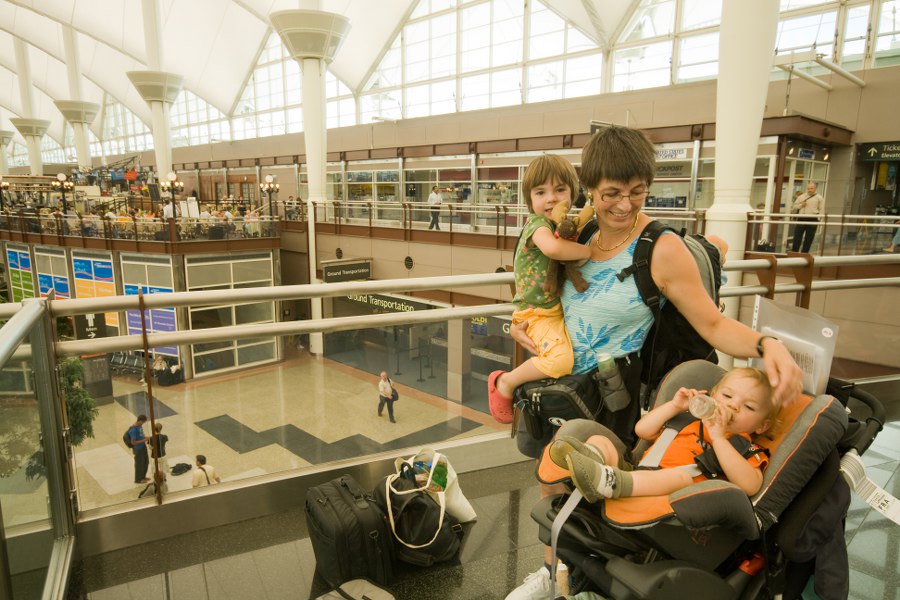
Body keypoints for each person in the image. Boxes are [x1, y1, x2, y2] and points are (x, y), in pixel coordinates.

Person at [504, 125, 802, 600]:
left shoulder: (660, 248)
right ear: (589, 188)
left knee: (602, 498)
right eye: (611, 195)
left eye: (637, 193)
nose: (624, 206)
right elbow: (540, 287)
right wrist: (520, 327)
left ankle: (587, 583)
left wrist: (767, 345)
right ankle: (552, 570)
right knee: (551, 477)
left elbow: (713, 324)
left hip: (614, 392)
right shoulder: (578, 229)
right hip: (563, 380)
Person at [550, 367, 779, 502]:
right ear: (713, 395)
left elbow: (750, 486)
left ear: (761, 426)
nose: (734, 406)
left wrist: (718, 438)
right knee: (601, 441)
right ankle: (589, 462)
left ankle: (607, 480)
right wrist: (675, 406)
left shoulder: (742, 446)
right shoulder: (688, 417)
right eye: (728, 396)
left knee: (679, 477)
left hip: (675, 492)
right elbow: (642, 431)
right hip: (637, 473)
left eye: (749, 407)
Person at [487, 154, 592, 422]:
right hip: (535, 313)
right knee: (559, 361)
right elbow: (554, 249)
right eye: (541, 192)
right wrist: (589, 252)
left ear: (572, 193)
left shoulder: (562, 225)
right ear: (530, 200)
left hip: (550, 311)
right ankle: (506, 383)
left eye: (560, 190)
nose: (551, 199)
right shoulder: (538, 225)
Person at [790, 182, 824, 252]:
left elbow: (822, 209)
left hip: (813, 218)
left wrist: (819, 219)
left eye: (811, 188)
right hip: (801, 217)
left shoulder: (819, 198)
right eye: (808, 188)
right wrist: (801, 205)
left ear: (815, 189)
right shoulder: (801, 197)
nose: (810, 190)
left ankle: (804, 252)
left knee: (809, 237)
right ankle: (794, 251)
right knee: (797, 236)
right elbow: (794, 207)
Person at [128, 415, 150, 484]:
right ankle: (138, 479)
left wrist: (146, 437)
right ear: (140, 421)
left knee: (145, 462)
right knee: (139, 464)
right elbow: (133, 442)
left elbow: (141, 435)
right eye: (143, 422)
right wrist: (144, 440)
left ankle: (143, 477)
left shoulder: (139, 426)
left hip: (143, 446)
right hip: (138, 449)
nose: (143, 423)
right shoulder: (133, 430)